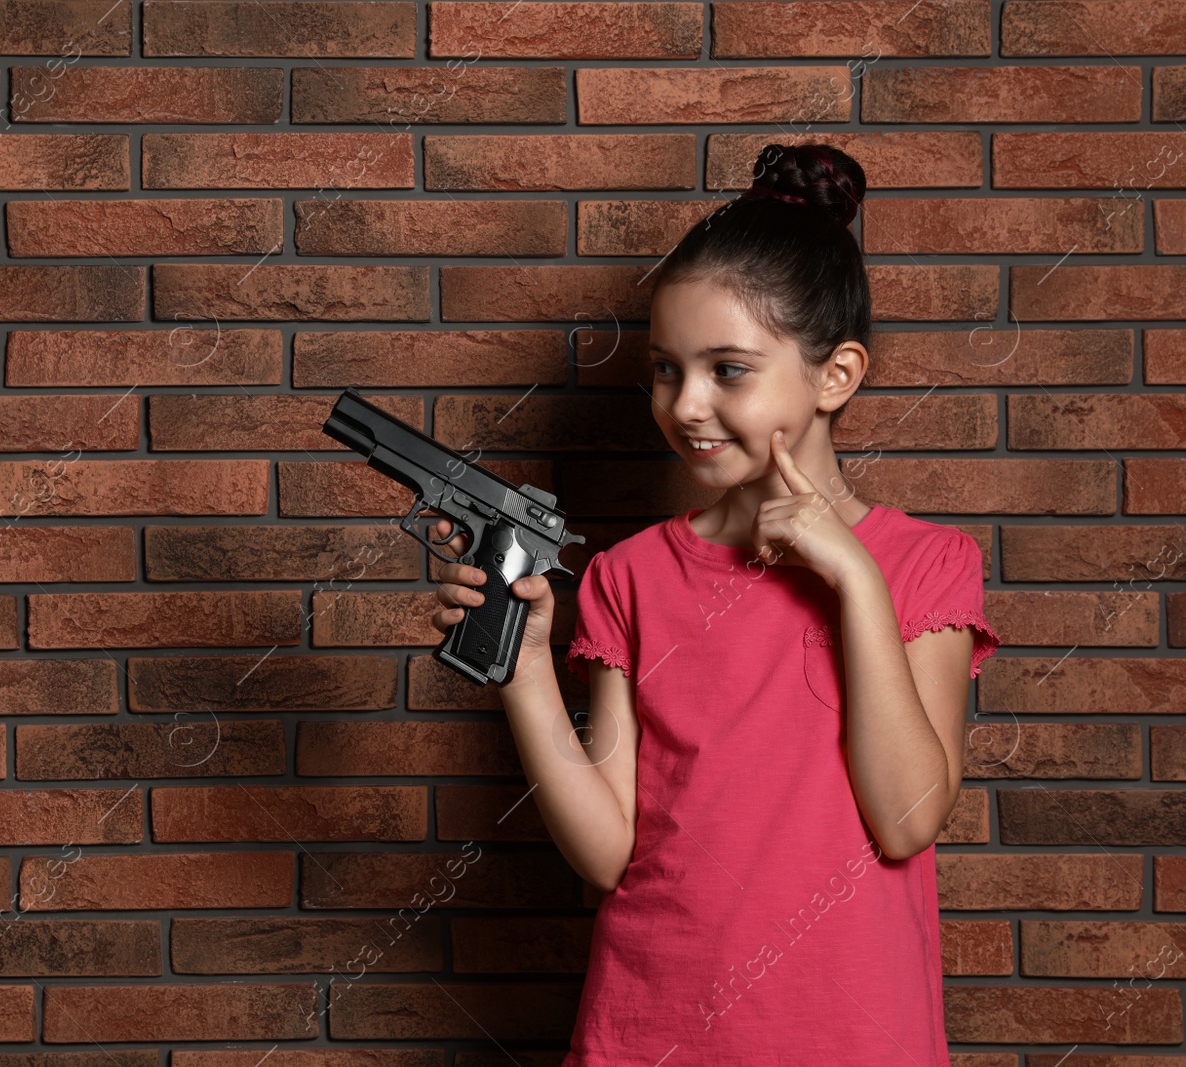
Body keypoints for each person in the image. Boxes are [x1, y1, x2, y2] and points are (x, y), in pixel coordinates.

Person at [429, 141, 1001, 1065]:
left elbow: (907, 818)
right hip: (650, 1033)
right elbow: (610, 851)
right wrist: (525, 667)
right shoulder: (629, 576)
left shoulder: (926, 563)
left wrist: (852, 576)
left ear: (836, 376)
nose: (685, 404)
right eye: (666, 368)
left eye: (727, 370)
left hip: (858, 1037)